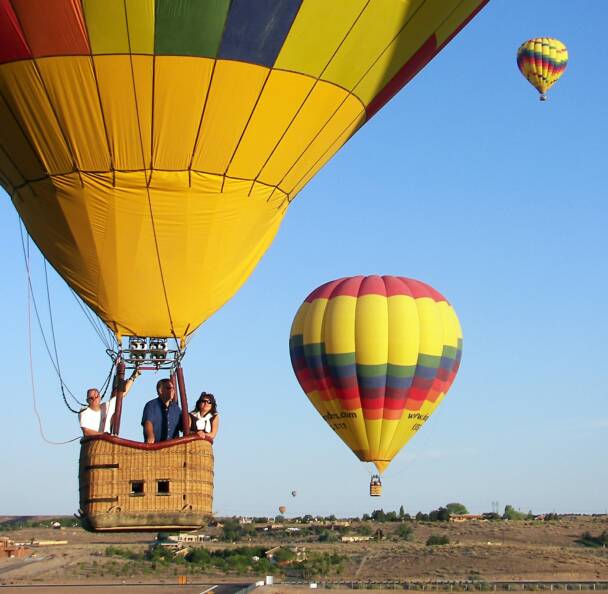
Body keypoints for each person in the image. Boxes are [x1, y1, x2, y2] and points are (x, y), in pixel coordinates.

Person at [79, 368, 140, 436]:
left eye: (96, 397)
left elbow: (122, 395)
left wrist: (133, 376)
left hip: (106, 442)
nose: (94, 399)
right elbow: (86, 432)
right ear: (87, 400)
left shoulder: (106, 406)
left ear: (100, 398)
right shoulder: (84, 411)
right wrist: (103, 434)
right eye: (91, 398)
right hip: (92, 443)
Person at [141, 378, 182, 443]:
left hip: (173, 449)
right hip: (156, 447)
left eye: (173, 388)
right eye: (169, 388)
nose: (172, 390)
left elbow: (184, 426)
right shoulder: (151, 405)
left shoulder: (176, 408)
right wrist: (150, 436)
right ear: (160, 390)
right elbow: (148, 423)